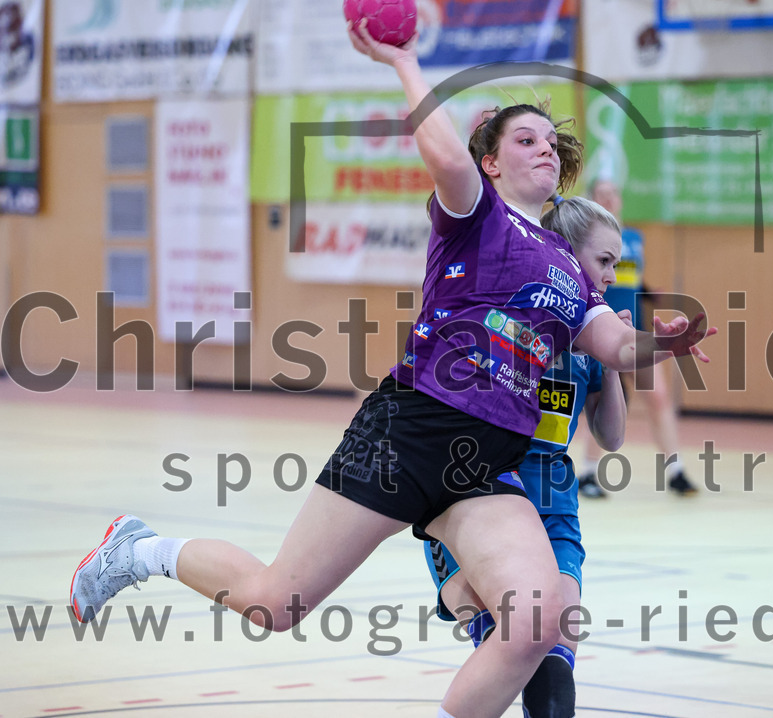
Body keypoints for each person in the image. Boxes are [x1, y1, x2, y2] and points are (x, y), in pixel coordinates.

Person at [69, 24, 715, 718]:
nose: (545, 150)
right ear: (491, 163)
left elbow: (615, 349)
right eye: (525, 139)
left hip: (486, 463)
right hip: (409, 430)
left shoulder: (570, 269)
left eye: (551, 144)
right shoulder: (479, 216)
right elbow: (444, 155)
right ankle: (140, 549)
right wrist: (406, 61)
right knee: (276, 602)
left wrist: (667, 343)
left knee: (536, 624)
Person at [425, 196, 628, 718]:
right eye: (603, 261)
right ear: (564, 254)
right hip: (480, 493)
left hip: (554, 502)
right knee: (509, 625)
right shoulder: (513, 320)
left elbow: (611, 437)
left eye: (616, 264)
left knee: (560, 633)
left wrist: (616, 364)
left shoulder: (591, 347)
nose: (610, 275)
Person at [574, 178, 697, 498]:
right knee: (601, 402)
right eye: (601, 195)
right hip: (603, 332)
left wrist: (647, 290)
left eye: (613, 193)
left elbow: (629, 279)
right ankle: (587, 472)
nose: (609, 199)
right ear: (591, 201)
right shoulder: (586, 242)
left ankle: (676, 471)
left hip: (636, 332)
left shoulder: (632, 238)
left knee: (658, 396)